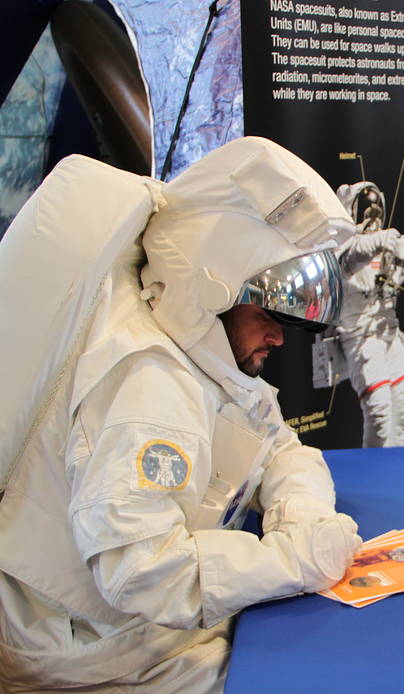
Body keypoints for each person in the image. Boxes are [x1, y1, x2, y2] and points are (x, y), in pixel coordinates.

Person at [0, 137, 364, 692]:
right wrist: (293, 561)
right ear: (209, 285)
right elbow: (142, 572)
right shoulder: (147, 386)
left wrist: (302, 515)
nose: (277, 335)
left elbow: (280, 447)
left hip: (138, 632)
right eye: (267, 307)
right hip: (103, 655)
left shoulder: (199, 356)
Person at [331, 181, 404, 447]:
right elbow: (348, 260)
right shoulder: (341, 246)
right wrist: (376, 241)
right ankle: (374, 470)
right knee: (379, 414)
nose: (373, 212)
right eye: (366, 205)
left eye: (377, 204)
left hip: (389, 334)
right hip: (361, 338)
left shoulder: (389, 241)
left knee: (403, 409)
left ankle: (399, 467)